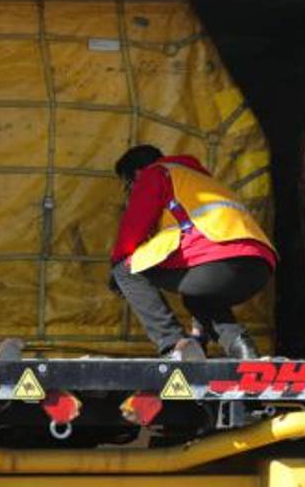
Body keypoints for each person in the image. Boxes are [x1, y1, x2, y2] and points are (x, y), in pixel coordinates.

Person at [109, 144, 276, 360]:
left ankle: (173, 344)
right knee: (196, 298)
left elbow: (130, 234)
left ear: (137, 173)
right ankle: (242, 348)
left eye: (129, 184)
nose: (130, 190)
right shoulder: (200, 179)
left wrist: (117, 271)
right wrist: (200, 333)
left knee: (124, 270)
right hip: (259, 267)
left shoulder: (155, 174)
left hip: (215, 262)